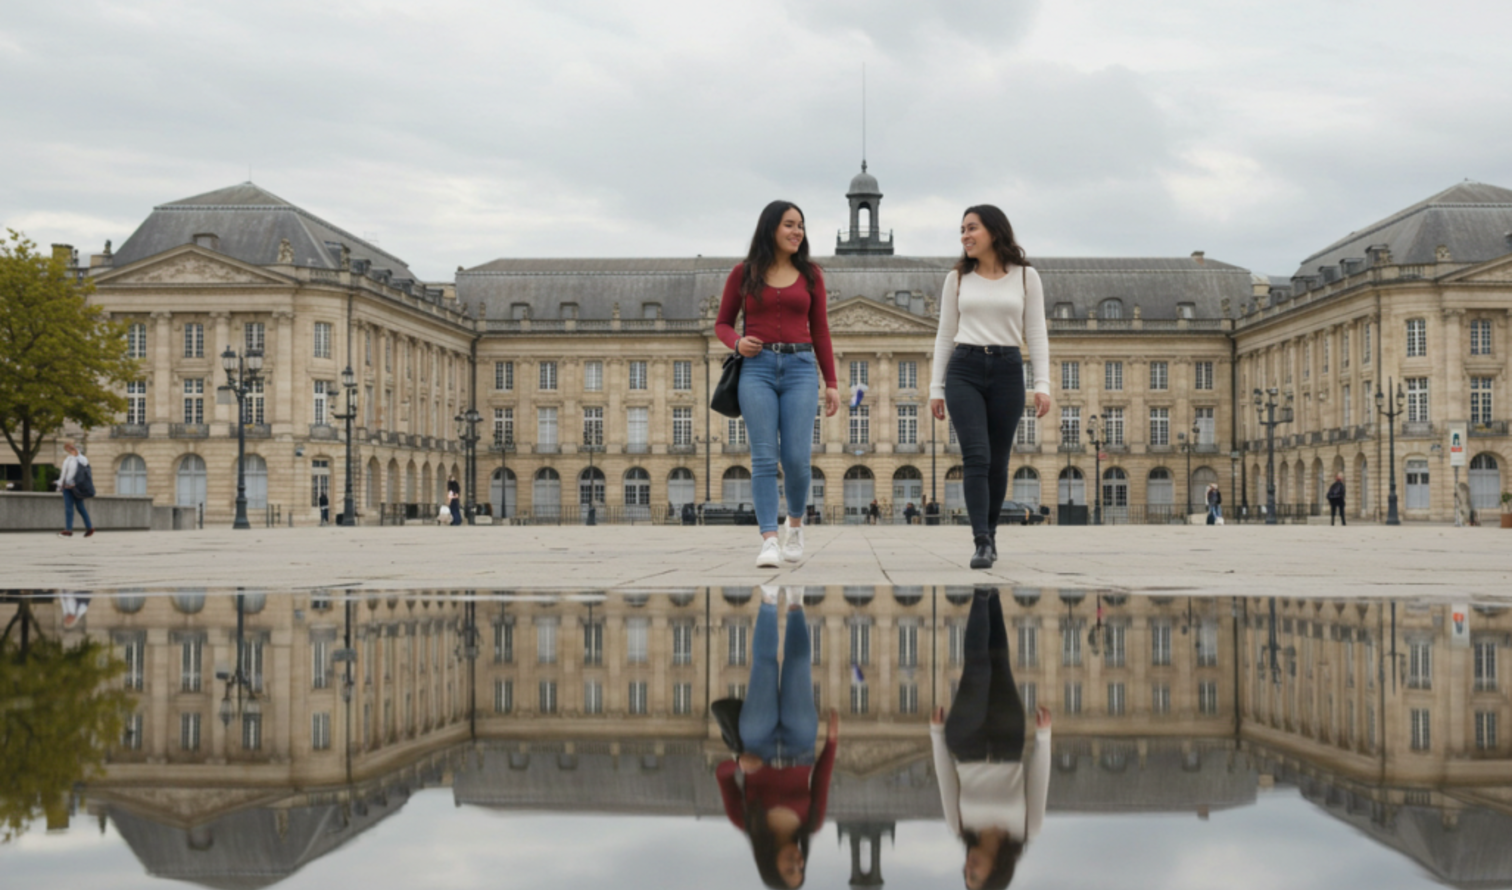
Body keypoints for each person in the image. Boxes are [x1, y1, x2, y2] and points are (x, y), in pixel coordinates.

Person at [716, 201, 841, 568]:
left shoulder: (812, 275)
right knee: (764, 459)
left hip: (801, 367)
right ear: (771, 228)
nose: (797, 231)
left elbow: (820, 330)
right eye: (789, 224)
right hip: (756, 368)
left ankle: (796, 525)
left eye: (800, 225)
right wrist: (736, 343)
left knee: (798, 460)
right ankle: (769, 538)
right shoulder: (743, 273)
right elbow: (722, 323)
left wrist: (831, 381)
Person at [929, 206, 1052, 569]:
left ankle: (991, 533)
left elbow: (1036, 333)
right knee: (977, 457)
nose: (965, 235)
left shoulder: (1027, 278)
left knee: (999, 462)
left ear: (994, 232)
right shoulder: (957, 278)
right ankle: (980, 540)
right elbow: (945, 334)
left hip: (1008, 369)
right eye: (962, 230)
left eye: (972, 228)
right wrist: (936, 387)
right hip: (964, 368)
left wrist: (1042, 384)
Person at [717, 585, 838, 889]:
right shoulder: (812, 823)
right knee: (798, 665)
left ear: (772, 867)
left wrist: (739, 763)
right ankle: (796, 602)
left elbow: (722, 776)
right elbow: (822, 779)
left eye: (790, 870)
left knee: (765, 666)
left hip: (758, 743)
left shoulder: (746, 822)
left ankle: (769, 600)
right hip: (801, 745)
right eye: (802, 868)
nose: (798, 862)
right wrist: (832, 742)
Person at [932, 587, 1051, 890]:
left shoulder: (959, 827)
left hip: (965, 743)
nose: (967, 868)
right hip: (1008, 740)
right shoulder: (1027, 830)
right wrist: (1044, 737)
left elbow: (945, 778)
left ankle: (980, 593)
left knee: (977, 671)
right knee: (999, 663)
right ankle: (994, 593)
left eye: (965, 875)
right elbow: (1039, 779)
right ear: (995, 872)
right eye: (974, 876)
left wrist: (936, 734)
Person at [57, 441, 94, 538]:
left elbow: (84, 464)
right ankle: (68, 530)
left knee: (80, 507)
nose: (70, 450)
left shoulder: (81, 459)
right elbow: (63, 474)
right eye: (68, 448)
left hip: (77, 487)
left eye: (71, 447)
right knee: (68, 508)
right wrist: (59, 484)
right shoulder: (67, 459)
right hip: (66, 487)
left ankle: (89, 527)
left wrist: (77, 454)